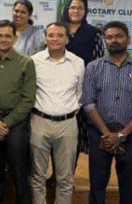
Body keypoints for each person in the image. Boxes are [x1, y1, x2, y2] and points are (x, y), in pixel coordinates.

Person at [82, 21, 132, 204]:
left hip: (131, 136)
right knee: (96, 189)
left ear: (128, 39)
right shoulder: (93, 67)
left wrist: (122, 135)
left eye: (118, 36)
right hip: (100, 136)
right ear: (105, 41)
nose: (114, 40)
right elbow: (88, 102)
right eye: (109, 37)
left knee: (128, 190)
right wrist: (108, 134)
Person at [0, 20, 36, 204]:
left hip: (16, 123)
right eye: (0, 36)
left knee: (20, 172)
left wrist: (5, 124)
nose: (3, 39)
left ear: (15, 38)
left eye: (8, 36)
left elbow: (28, 99)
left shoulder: (26, 63)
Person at [30, 22, 85, 204]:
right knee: (37, 175)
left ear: (67, 39)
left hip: (68, 124)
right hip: (39, 121)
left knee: (65, 178)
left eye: (60, 35)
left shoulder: (78, 63)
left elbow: (79, 94)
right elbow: (30, 91)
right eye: (51, 35)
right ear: (45, 39)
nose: (55, 39)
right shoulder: (34, 61)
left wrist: (67, 110)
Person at [61, 0, 105, 166]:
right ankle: (57, 173)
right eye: (73, 7)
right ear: (67, 9)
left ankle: (68, 173)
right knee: (57, 133)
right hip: (57, 89)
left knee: (76, 134)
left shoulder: (93, 33)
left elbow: (99, 64)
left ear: (85, 11)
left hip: (82, 90)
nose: (76, 11)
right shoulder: (58, 30)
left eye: (80, 8)